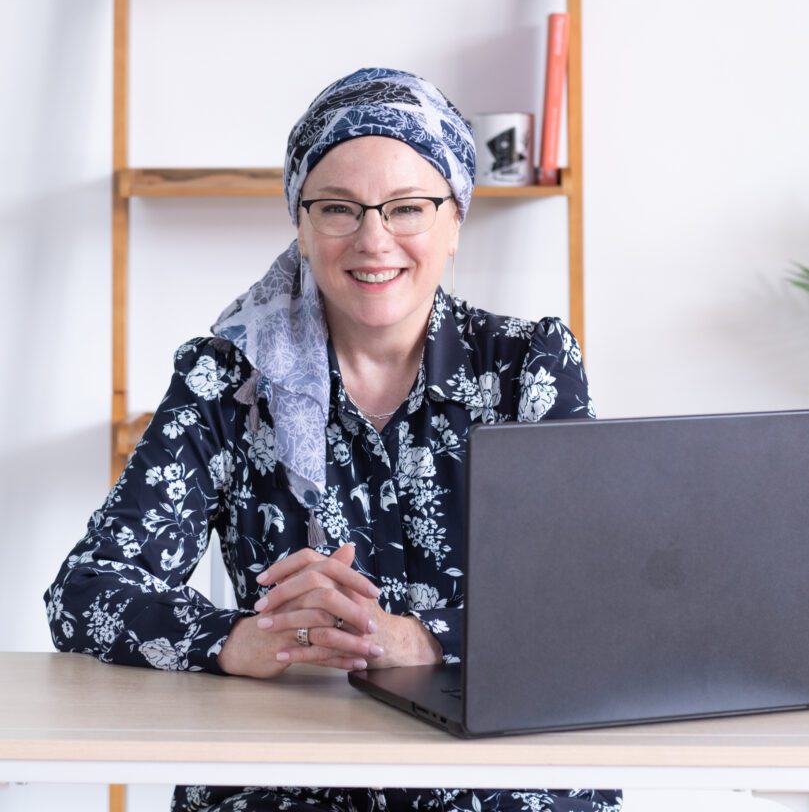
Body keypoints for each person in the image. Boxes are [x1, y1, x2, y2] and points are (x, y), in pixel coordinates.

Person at [45, 68, 621, 812]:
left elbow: (597, 598)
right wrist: (236, 639)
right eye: (339, 209)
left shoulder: (528, 367)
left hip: (498, 782)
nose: (373, 240)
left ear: (455, 222)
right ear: (301, 224)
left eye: (408, 208)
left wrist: (421, 638)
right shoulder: (227, 378)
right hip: (285, 780)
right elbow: (85, 590)